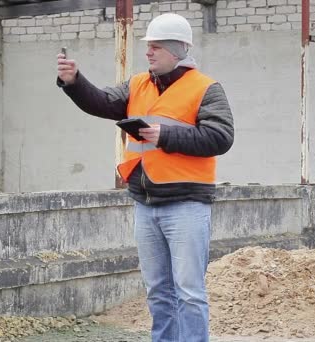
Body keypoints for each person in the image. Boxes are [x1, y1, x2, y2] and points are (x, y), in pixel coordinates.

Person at [57, 13, 234, 342]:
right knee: (157, 293)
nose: (149, 53)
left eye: (155, 47)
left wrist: (164, 136)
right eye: (148, 47)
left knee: (189, 294)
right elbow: (103, 102)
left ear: (177, 50)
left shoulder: (206, 89)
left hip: (186, 206)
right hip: (146, 204)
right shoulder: (138, 83)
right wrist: (74, 81)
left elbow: (221, 137)